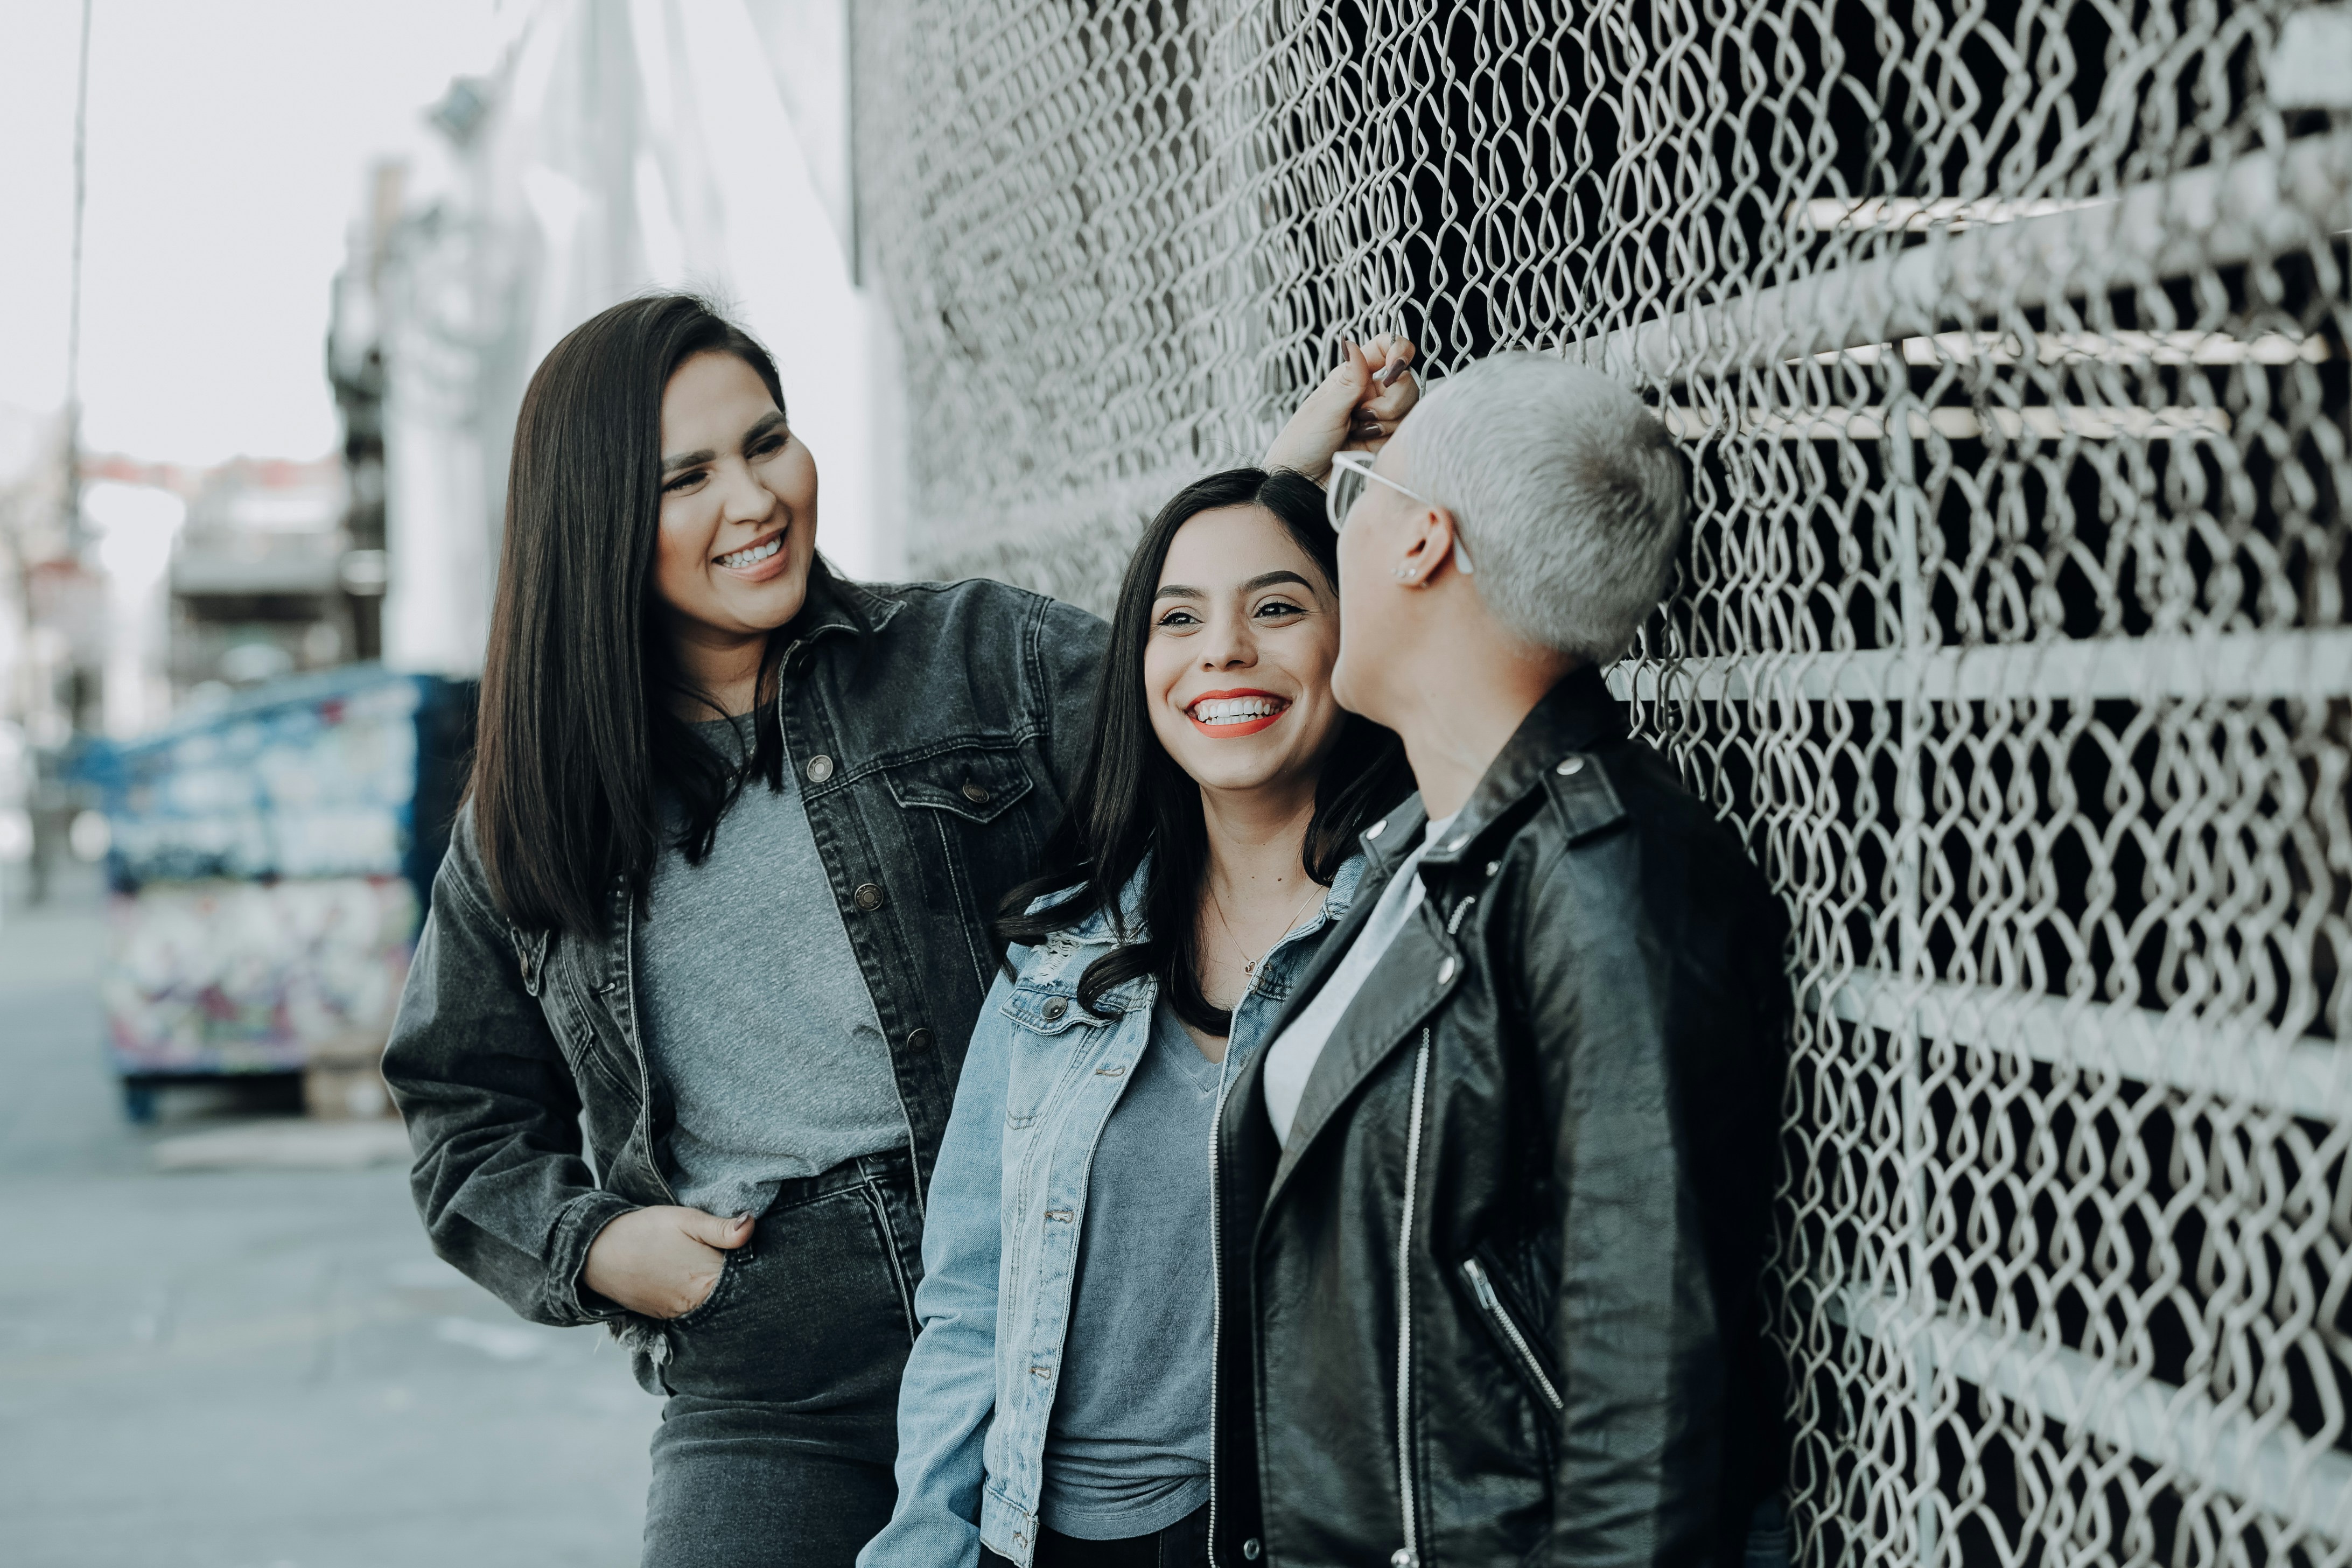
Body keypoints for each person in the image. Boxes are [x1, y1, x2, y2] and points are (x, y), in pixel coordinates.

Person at [381, 294, 1107, 1568]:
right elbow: (460, 1111)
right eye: (688, 477)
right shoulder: (536, 811)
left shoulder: (977, 657)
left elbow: (1211, 718)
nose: (755, 498)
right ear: (598, 522)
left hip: (1057, 1292)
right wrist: (599, 1245)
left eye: (767, 442)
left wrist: (1277, 500)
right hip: (773, 1366)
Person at [1209, 353, 1791, 1568]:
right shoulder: (1422, 843)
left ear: (1421, 544)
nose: (1333, 529)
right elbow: (1174, 691)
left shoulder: (1607, 885)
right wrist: (1288, 480)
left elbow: (1651, 1391)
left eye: (1353, 496)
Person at [861, 350, 1422, 1568]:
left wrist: (1357, 489)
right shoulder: (1065, 949)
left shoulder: (1415, 922)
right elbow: (969, 1299)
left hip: (1279, 1531)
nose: (1221, 652)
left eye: (1279, 610)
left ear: (1354, 638)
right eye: (1178, 619)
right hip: (1043, 1537)